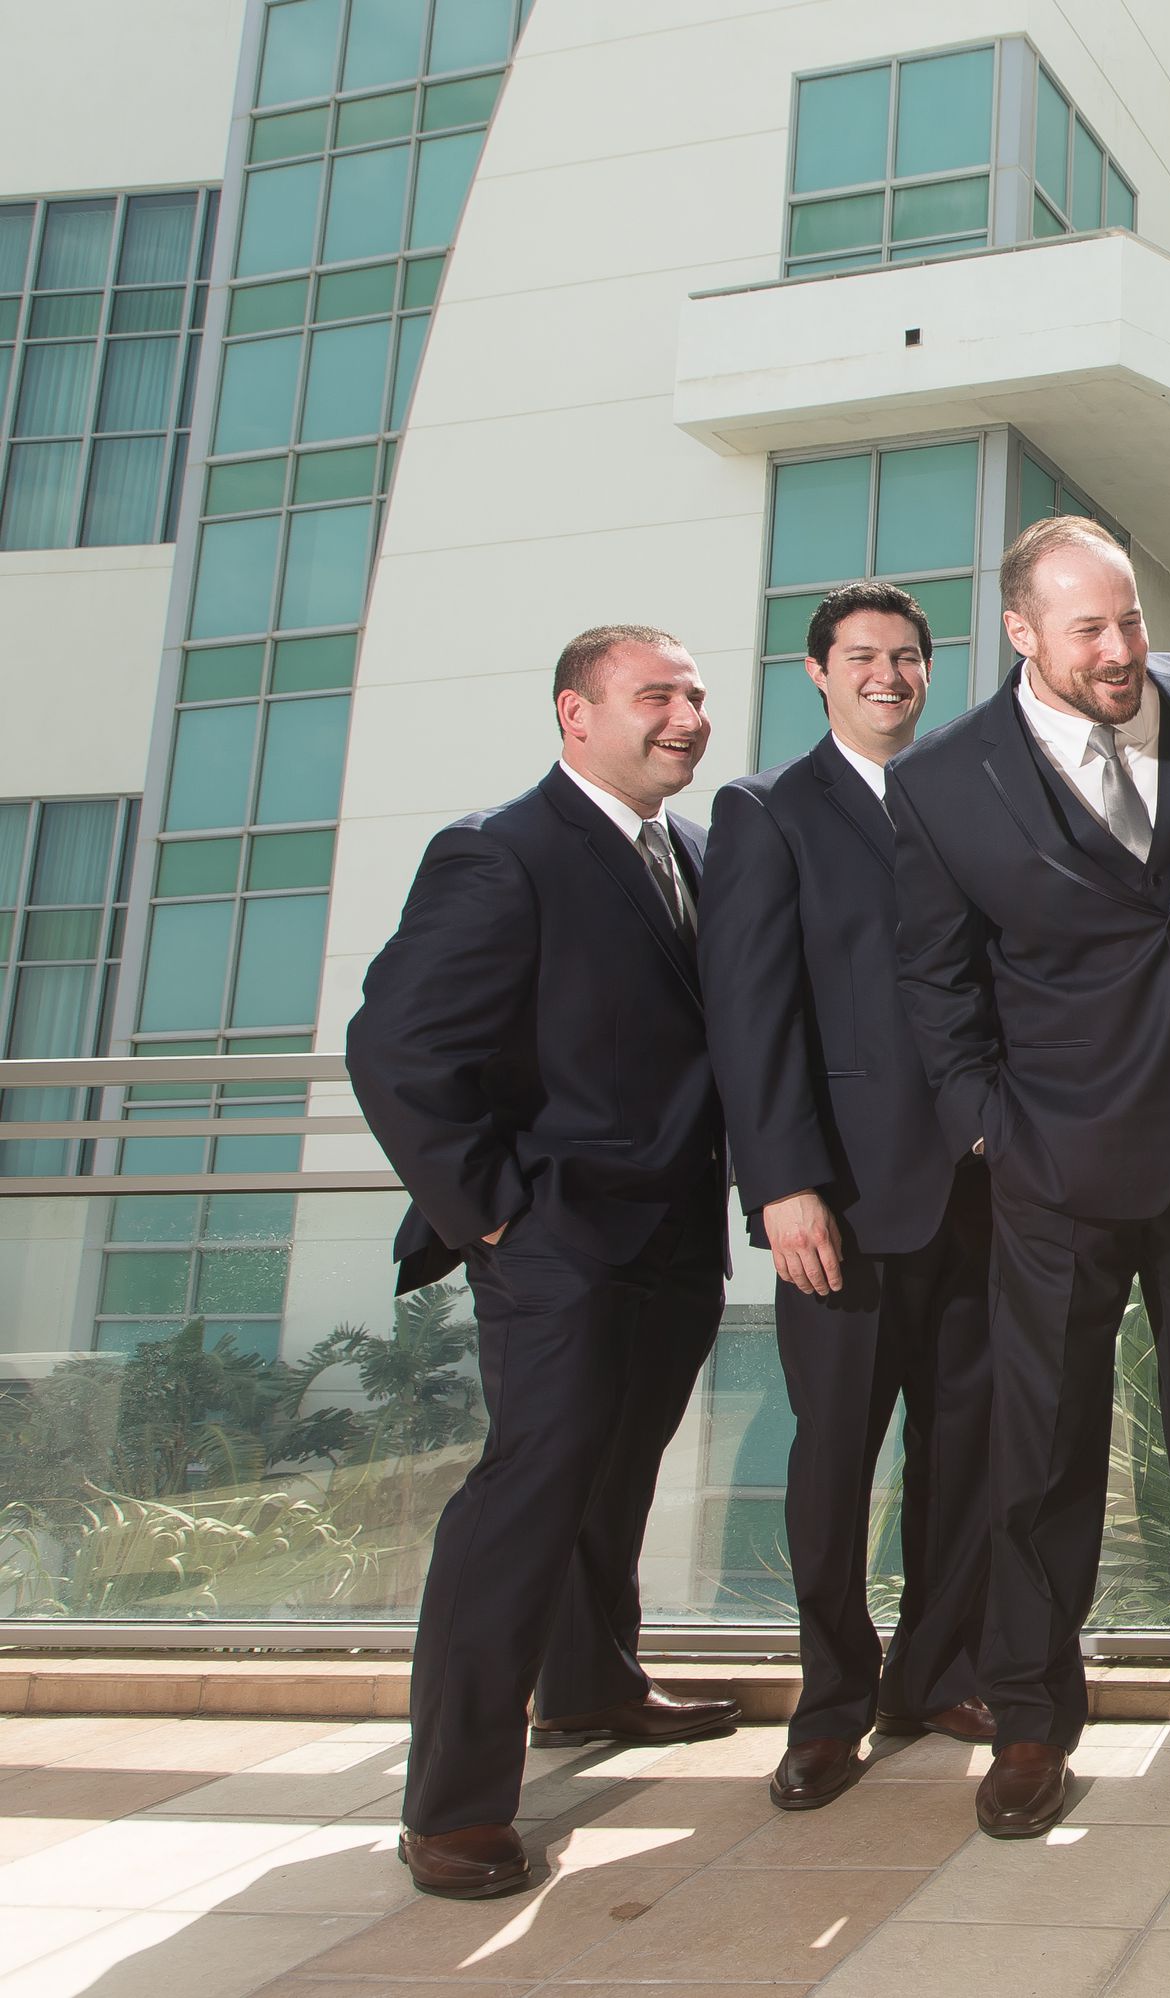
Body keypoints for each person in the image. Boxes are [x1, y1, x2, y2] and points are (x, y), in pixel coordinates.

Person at [891, 516, 1170, 1841]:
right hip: (1055, 1168)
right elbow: (933, 986)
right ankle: (1027, 1713)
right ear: (1022, 631)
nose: (1125, 649)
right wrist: (991, 1132)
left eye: (1131, 619)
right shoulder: (946, 782)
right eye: (1092, 630)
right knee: (1044, 1452)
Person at [350, 624, 738, 1899]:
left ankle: (588, 1685)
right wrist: (497, 1215)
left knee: (616, 1477)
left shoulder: (688, 850)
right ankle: (452, 1800)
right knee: (524, 1495)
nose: (684, 717)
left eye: (692, 695)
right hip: (558, 1239)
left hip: (672, 1234)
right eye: (653, 697)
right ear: (576, 714)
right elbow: (397, 1048)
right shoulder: (499, 850)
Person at [699, 582, 993, 1815]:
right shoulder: (767, 812)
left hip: (979, 1190)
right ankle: (829, 1704)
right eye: (863, 657)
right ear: (817, 673)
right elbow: (749, 1018)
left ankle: (940, 1672)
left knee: (968, 1453)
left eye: (910, 657)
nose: (889, 674)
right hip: (842, 1204)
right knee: (834, 1465)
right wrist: (783, 1186)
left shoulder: (968, 794)